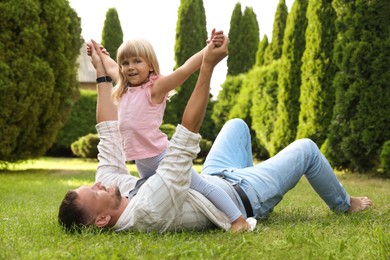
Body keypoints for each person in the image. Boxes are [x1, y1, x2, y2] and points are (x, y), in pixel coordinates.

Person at [58, 34, 372, 233]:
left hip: (214, 174)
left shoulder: (117, 192)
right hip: (248, 194)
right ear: (101, 220)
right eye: (96, 191)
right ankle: (345, 204)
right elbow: (183, 142)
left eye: (93, 184)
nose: (101, 183)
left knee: (236, 124)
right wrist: (208, 63)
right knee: (305, 149)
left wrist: (101, 67)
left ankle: (249, 174)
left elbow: (109, 136)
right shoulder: (147, 210)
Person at [87, 31, 254, 232]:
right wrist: (100, 54)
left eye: (137, 61)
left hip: (162, 158)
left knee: (202, 186)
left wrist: (208, 50)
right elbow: (112, 66)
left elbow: (184, 70)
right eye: (126, 63)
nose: (130, 67)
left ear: (150, 65)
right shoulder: (124, 89)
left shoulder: (155, 88)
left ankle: (238, 220)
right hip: (143, 163)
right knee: (156, 192)